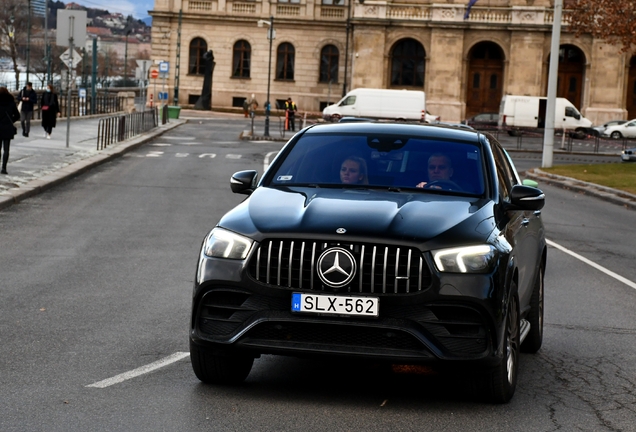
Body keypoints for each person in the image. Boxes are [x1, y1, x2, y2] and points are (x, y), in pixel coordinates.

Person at [0, 86, 21, 174]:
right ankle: (4, 168)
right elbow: (17, 115)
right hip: (7, 128)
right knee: (6, 149)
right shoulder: (11, 102)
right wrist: (10, 121)